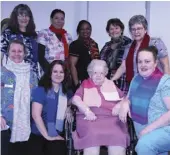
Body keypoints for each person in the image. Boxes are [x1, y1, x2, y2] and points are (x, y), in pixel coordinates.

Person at [116, 46, 170, 155]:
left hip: (163, 129)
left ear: (155, 63)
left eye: (147, 61)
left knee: (144, 145)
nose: (143, 65)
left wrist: (148, 130)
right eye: (140, 62)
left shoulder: (165, 81)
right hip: (144, 132)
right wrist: (125, 102)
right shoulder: (136, 79)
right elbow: (128, 97)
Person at [72, 59, 129, 155]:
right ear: (90, 74)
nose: (98, 76)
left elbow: (125, 98)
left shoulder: (111, 85)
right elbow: (75, 99)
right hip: (91, 119)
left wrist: (119, 106)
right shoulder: (85, 85)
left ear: (105, 74)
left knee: (117, 136)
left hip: (112, 120)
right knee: (93, 135)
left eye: (101, 73)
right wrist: (87, 111)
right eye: (95, 73)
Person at [1, 40, 38, 155]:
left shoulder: (32, 74)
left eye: (20, 51)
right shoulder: (2, 72)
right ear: (8, 52)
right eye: (13, 51)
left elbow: (36, 99)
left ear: (25, 53)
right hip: (5, 123)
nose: (16, 54)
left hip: (26, 124)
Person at [111, 15, 170, 85]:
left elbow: (165, 65)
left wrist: (166, 84)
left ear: (145, 29)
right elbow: (123, 67)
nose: (136, 32)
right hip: (135, 86)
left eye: (139, 28)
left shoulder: (156, 43)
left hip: (155, 84)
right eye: (133, 29)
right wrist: (111, 80)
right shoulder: (128, 47)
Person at [30, 60, 72, 155]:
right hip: (39, 134)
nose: (58, 74)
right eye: (55, 71)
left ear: (65, 75)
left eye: (61, 72)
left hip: (57, 134)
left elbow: (73, 101)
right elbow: (36, 115)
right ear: (50, 73)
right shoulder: (40, 90)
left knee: (59, 149)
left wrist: (69, 108)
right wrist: (48, 136)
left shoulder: (67, 92)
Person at [1, 4, 39, 76]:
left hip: (32, 75)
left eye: (27, 15)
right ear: (15, 17)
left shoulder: (34, 35)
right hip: (13, 74)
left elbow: (37, 59)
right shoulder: (8, 33)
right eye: (21, 15)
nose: (24, 18)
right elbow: (1, 54)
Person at [100, 18, 131, 94]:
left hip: (123, 81)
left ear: (121, 29)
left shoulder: (129, 43)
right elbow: (100, 63)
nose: (114, 31)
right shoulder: (106, 46)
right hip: (107, 81)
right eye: (111, 29)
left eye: (116, 28)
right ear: (108, 32)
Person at [37, 9, 72, 73]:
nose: (59, 21)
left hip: (63, 72)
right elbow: (40, 56)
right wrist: (50, 71)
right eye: (56, 18)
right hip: (47, 71)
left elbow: (69, 57)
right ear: (51, 19)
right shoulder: (44, 33)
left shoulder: (68, 36)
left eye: (62, 19)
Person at [69, 20, 100, 91]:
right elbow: (72, 65)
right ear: (78, 31)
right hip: (80, 82)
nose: (85, 31)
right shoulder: (75, 45)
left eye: (87, 29)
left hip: (93, 81)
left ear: (91, 30)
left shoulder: (94, 45)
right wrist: (77, 85)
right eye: (82, 29)